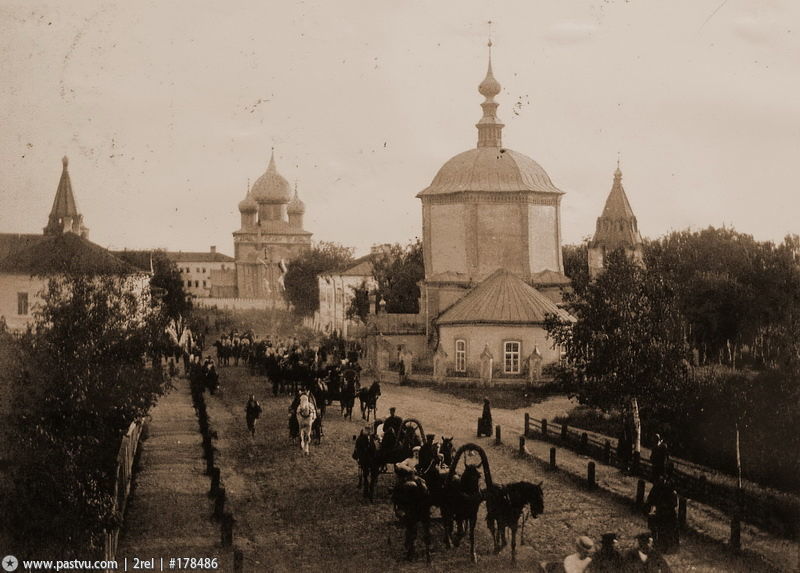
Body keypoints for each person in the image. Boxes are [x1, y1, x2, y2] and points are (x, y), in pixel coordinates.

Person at [645, 476, 680, 553]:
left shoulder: (669, 491)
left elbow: (673, 504)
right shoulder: (658, 489)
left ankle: (666, 546)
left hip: (665, 513)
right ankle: (659, 545)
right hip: (660, 512)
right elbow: (651, 500)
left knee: (665, 530)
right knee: (659, 529)